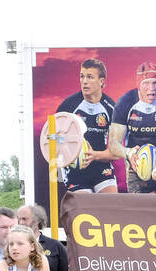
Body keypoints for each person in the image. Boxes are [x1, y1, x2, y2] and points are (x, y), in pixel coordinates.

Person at [109, 61, 156, 194]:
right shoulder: (124, 103)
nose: (152, 88)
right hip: (137, 167)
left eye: (155, 83)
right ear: (138, 85)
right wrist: (129, 153)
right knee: (137, 212)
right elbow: (113, 145)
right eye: (146, 83)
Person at [55, 58, 118, 195]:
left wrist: (94, 155)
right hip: (75, 170)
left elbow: (117, 151)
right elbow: (52, 137)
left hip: (101, 165)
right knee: (85, 212)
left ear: (101, 81)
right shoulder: (68, 106)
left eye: (90, 77)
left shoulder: (111, 108)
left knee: (111, 205)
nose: (84, 81)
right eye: (82, 76)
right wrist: (69, 150)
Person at [17, 204, 67, 271]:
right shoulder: (12, 247)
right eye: (18, 219)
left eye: (24, 219)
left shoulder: (55, 246)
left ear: (37, 220)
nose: (20, 223)